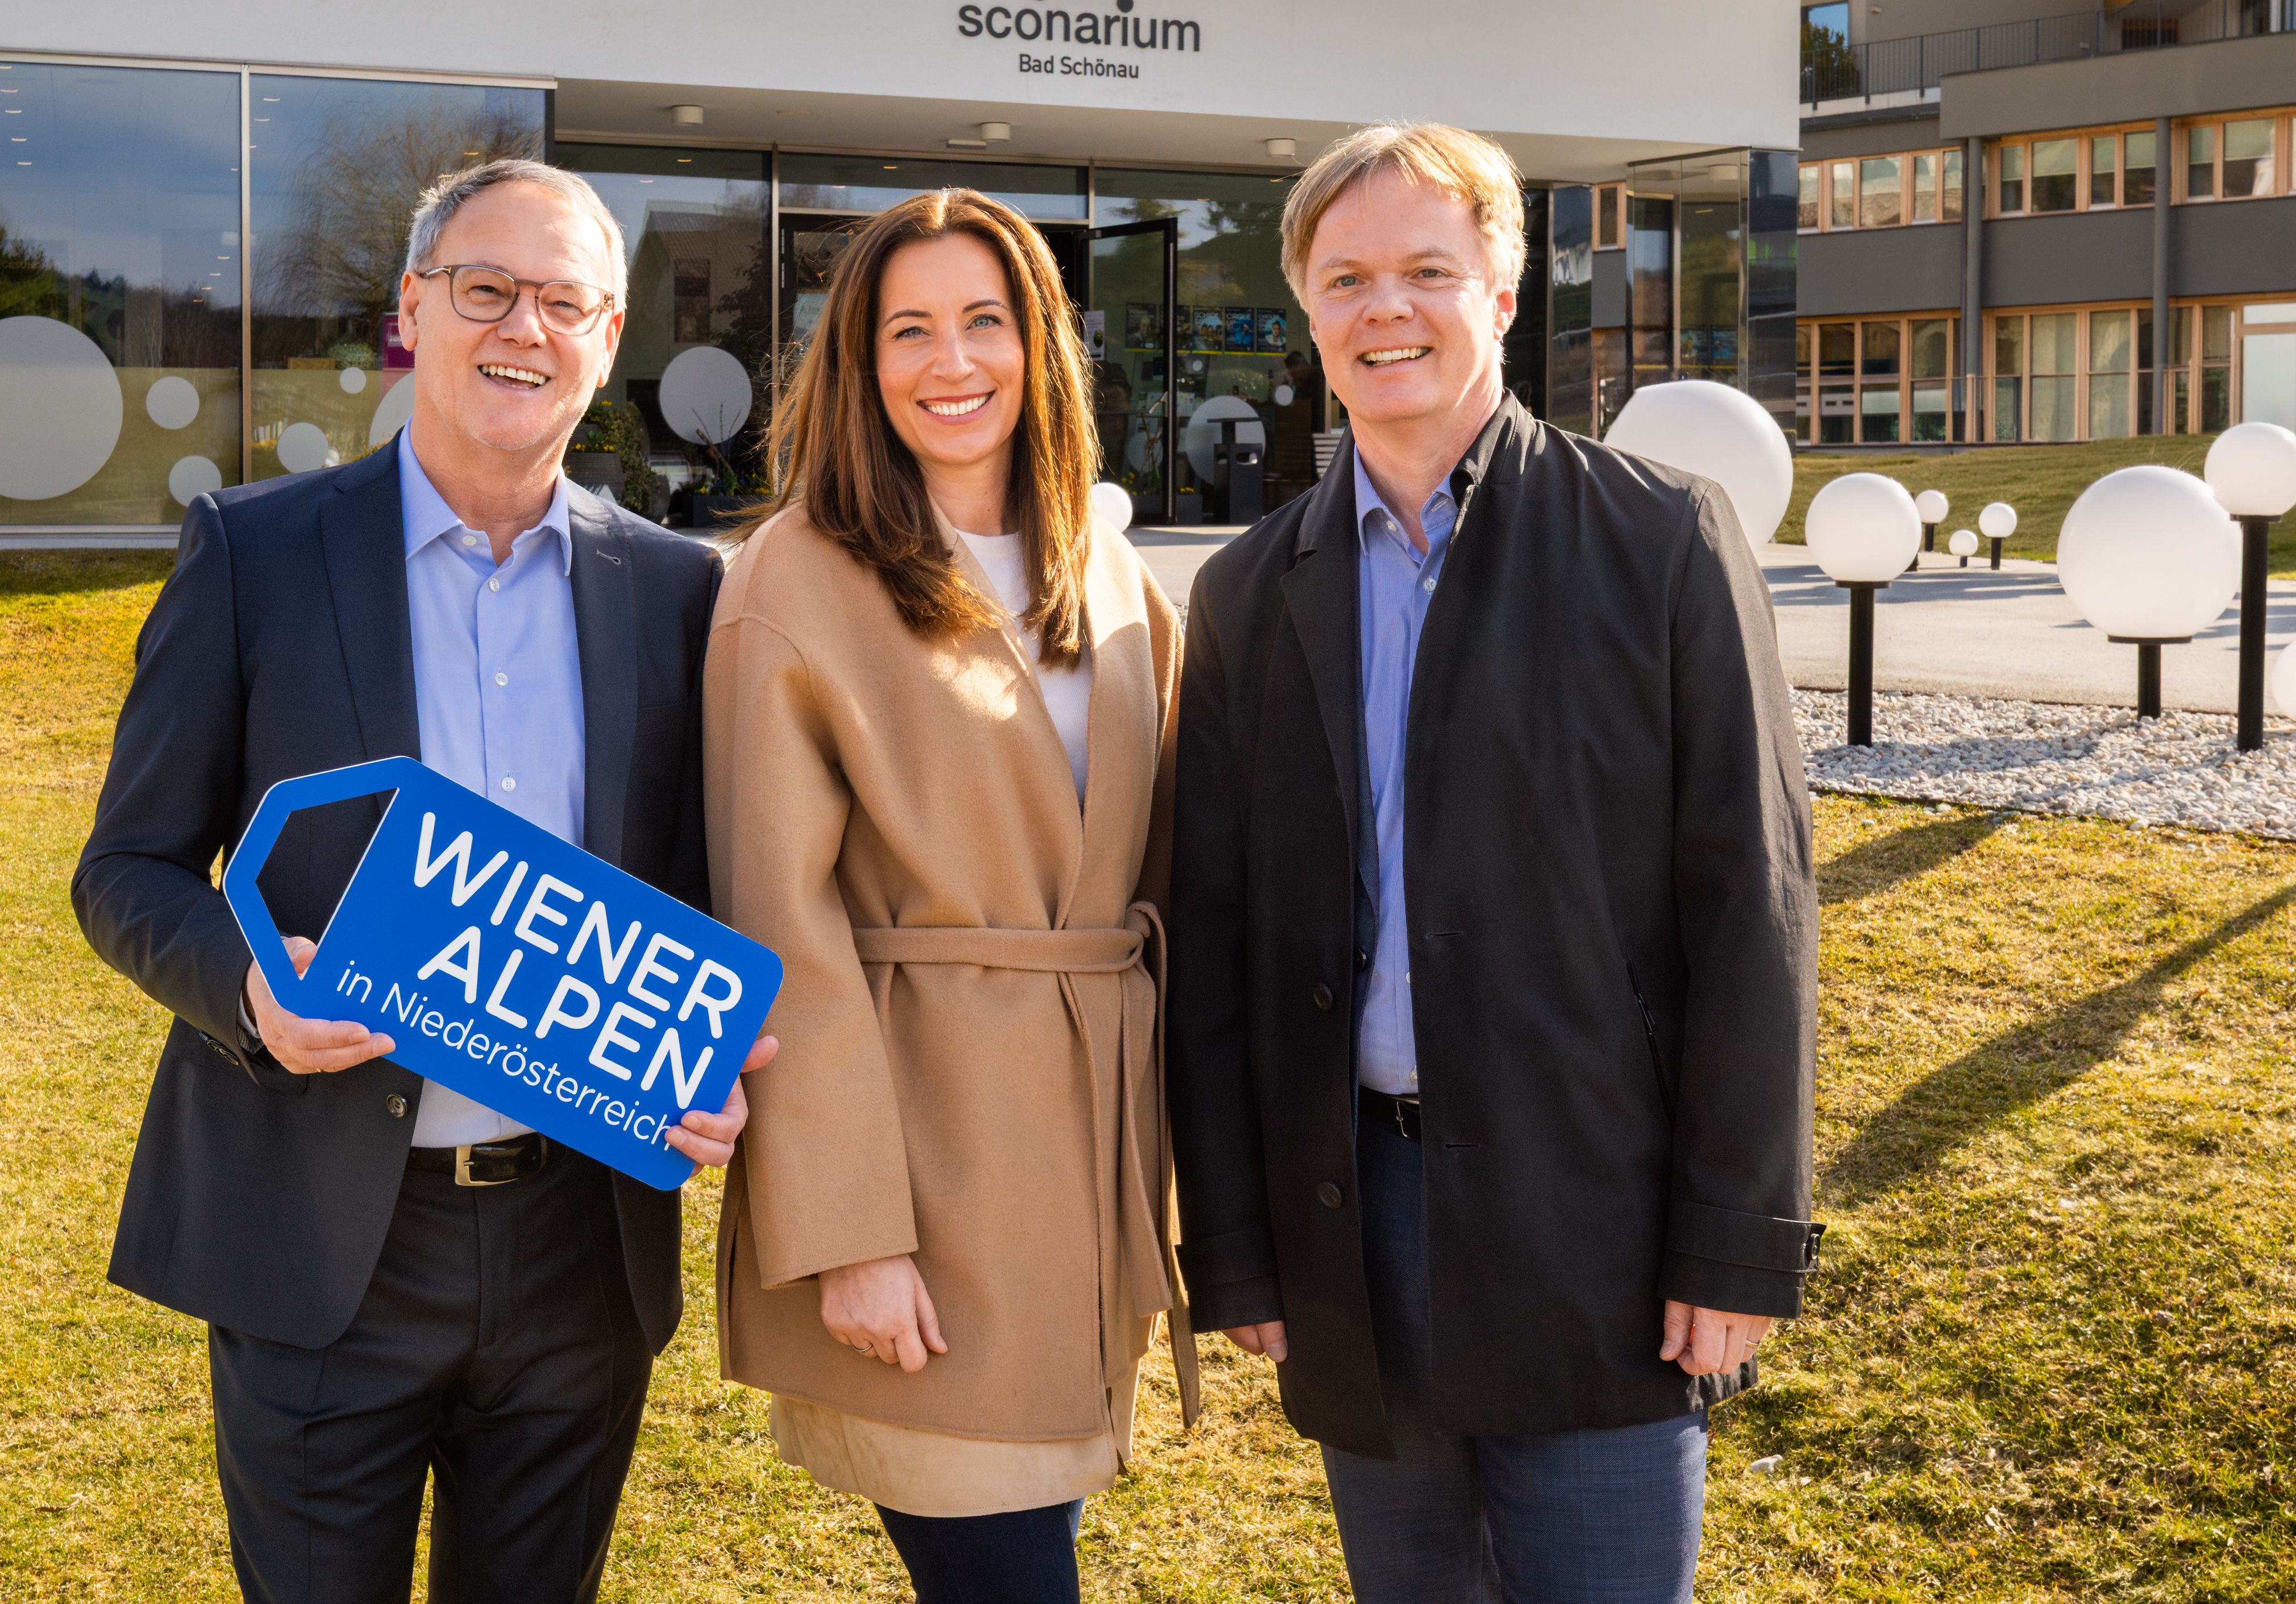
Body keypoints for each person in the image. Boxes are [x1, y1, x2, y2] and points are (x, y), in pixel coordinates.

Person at [72, 157, 773, 1603]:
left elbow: (706, 891)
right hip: (324, 1236)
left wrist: (717, 1051)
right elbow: (127, 868)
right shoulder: (256, 554)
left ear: (609, 333)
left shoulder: (679, 592)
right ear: (413, 312)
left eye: (561, 301)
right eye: (486, 290)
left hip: (581, 1242)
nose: (523, 328)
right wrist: (248, 990)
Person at [1167, 123, 1822, 1603]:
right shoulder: (1247, 594)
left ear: (1505, 294)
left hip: (1597, 1226)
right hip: (1353, 1228)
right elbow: (1215, 947)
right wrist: (1244, 1252)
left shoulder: (1658, 541)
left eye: (1424, 270)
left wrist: (1732, 1245)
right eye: (1345, 278)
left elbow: (1753, 912)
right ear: (1309, 312)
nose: (1383, 308)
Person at [703, 188, 1192, 1604]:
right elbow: (775, 921)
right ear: (857, 367)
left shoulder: (1104, 560)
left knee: (1038, 1542)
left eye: (986, 320)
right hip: (922, 1162)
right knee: (1004, 1571)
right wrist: (849, 1230)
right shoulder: (797, 575)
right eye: (907, 330)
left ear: (1041, 345)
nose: (951, 360)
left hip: (1087, 1161)